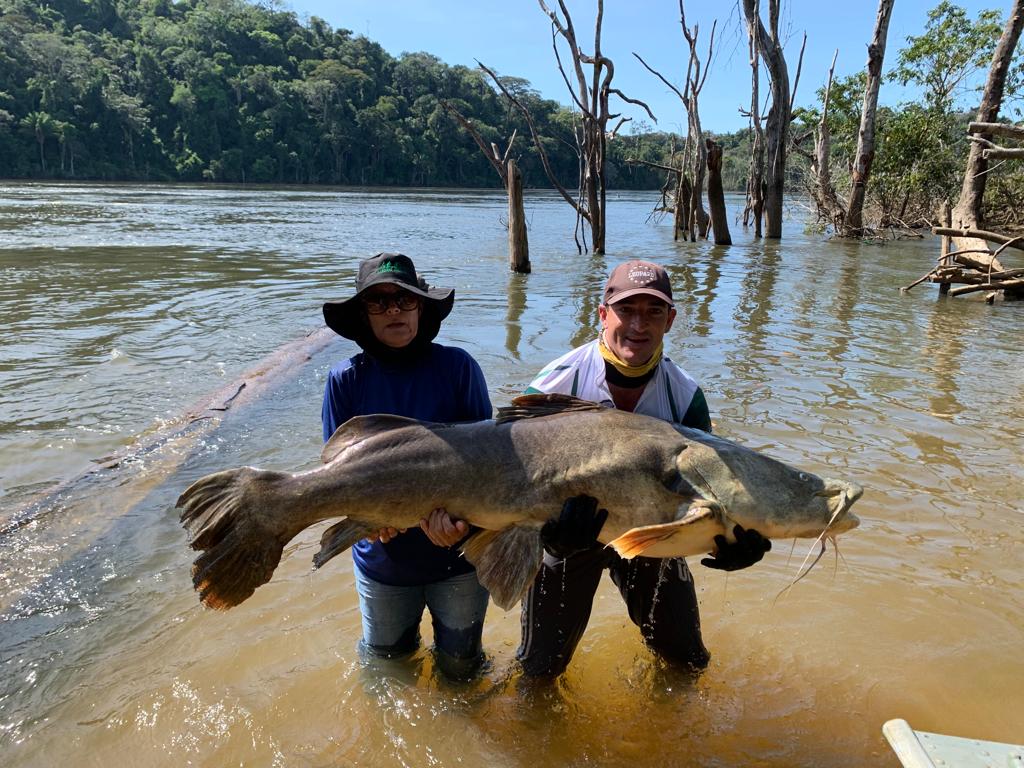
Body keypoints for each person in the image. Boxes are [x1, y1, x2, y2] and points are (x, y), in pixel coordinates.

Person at [516, 259, 772, 677]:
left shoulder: (685, 397)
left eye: (653, 312)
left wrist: (731, 540)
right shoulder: (555, 385)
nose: (639, 324)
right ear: (603, 314)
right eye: (626, 310)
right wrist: (547, 536)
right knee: (538, 671)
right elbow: (513, 481)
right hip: (571, 535)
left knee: (687, 663)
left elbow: (708, 490)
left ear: (670, 321)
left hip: (652, 536)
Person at [321, 252, 492, 680]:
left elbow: (490, 466)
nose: (393, 310)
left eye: (404, 299)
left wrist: (460, 525)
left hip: (458, 560)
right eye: (379, 302)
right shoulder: (345, 380)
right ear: (364, 315)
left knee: (462, 669)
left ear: (421, 306)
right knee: (386, 671)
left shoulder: (458, 368)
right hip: (383, 564)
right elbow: (337, 476)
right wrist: (368, 522)